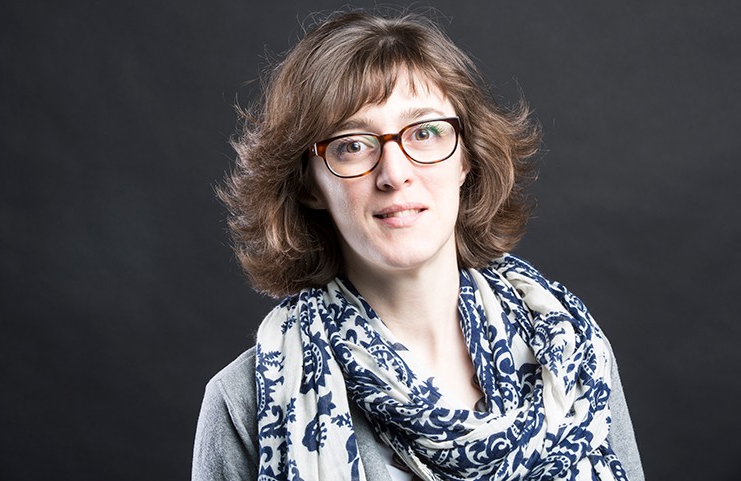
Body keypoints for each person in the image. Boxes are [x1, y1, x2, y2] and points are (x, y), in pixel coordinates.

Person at [193, 9, 645, 481]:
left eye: (425, 133)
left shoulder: (572, 356)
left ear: (467, 156)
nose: (395, 173)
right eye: (352, 144)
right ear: (309, 184)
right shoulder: (246, 401)